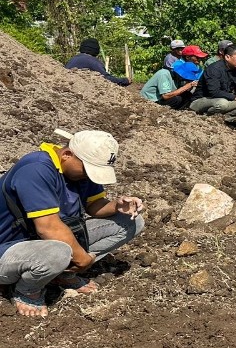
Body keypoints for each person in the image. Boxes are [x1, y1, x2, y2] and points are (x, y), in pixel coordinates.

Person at [0, 130, 145, 318]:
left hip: (42, 242)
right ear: (67, 155)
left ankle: (60, 274)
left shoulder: (79, 173)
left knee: (131, 222)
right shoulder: (36, 169)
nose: (90, 176)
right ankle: (26, 291)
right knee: (59, 251)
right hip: (7, 247)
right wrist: (82, 259)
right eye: (88, 170)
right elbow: (49, 228)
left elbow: (94, 206)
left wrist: (117, 206)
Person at [189, 43, 236, 128]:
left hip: (221, 100)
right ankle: (206, 117)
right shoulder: (214, 69)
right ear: (227, 57)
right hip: (200, 101)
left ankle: (227, 118)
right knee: (222, 103)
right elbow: (214, 92)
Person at [65, 38, 131, 86]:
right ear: (96, 50)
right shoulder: (93, 61)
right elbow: (106, 78)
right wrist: (125, 81)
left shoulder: (73, 59)